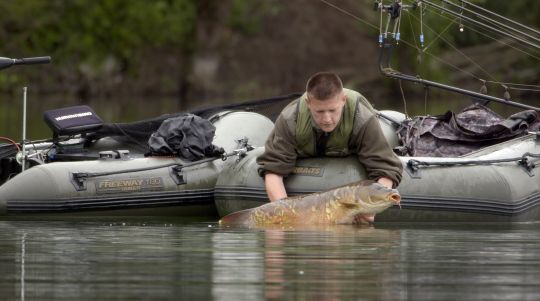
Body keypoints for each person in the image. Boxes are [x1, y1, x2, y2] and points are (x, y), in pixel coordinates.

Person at [256, 71, 403, 223]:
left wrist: (371, 210)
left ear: (343, 100)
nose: (327, 119)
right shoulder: (290, 119)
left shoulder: (362, 118)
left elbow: (387, 168)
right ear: (308, 103)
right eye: (319, 111)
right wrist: (286, 215)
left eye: (332, 110)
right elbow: (273, 170)